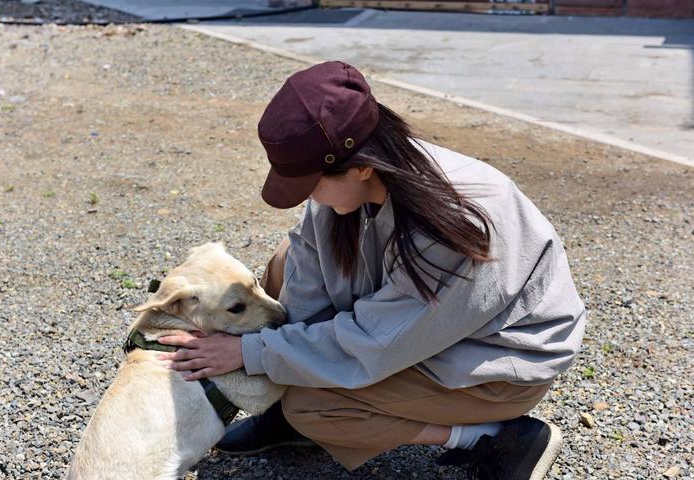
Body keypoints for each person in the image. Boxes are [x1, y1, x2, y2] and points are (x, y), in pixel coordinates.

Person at [157, 61, 586, 480]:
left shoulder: (457, 222)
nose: (313, 199)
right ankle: (287, 413)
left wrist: (253, 354)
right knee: (283, 264)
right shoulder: (359, 181)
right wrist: (277, 359)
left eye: (312, 185)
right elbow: (304, 274)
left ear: (362, 165)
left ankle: (492, 438)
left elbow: (374, 344)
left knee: (312, 405)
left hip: (490, 362)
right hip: (420, 326)